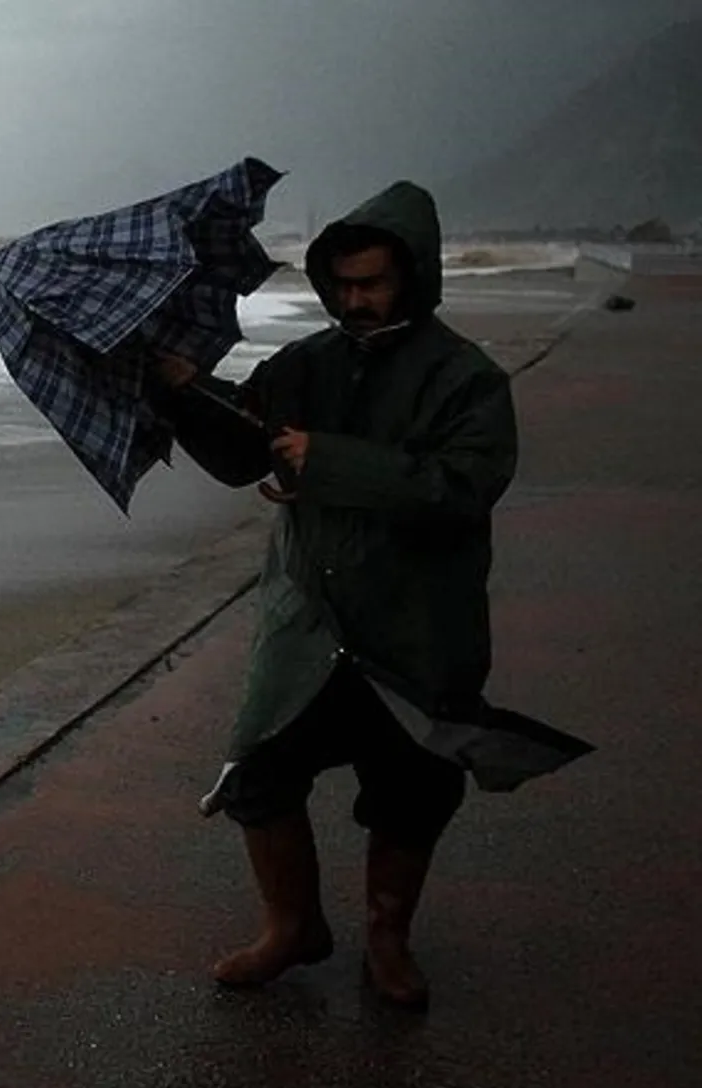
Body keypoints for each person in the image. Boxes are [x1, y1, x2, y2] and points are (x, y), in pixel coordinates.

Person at [154, 181, 518, 1011]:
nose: (354, 300)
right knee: (259, 774)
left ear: (415, 277)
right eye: (342, 284)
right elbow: (245, 453)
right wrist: (181, 390)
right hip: (307, 622)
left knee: (412, 792)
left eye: (373, 284)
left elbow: (463, 487)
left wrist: (335, 463)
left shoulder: (467, 379)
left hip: (416, 626)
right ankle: (293, 927)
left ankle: (388, 937)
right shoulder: (304, 364)